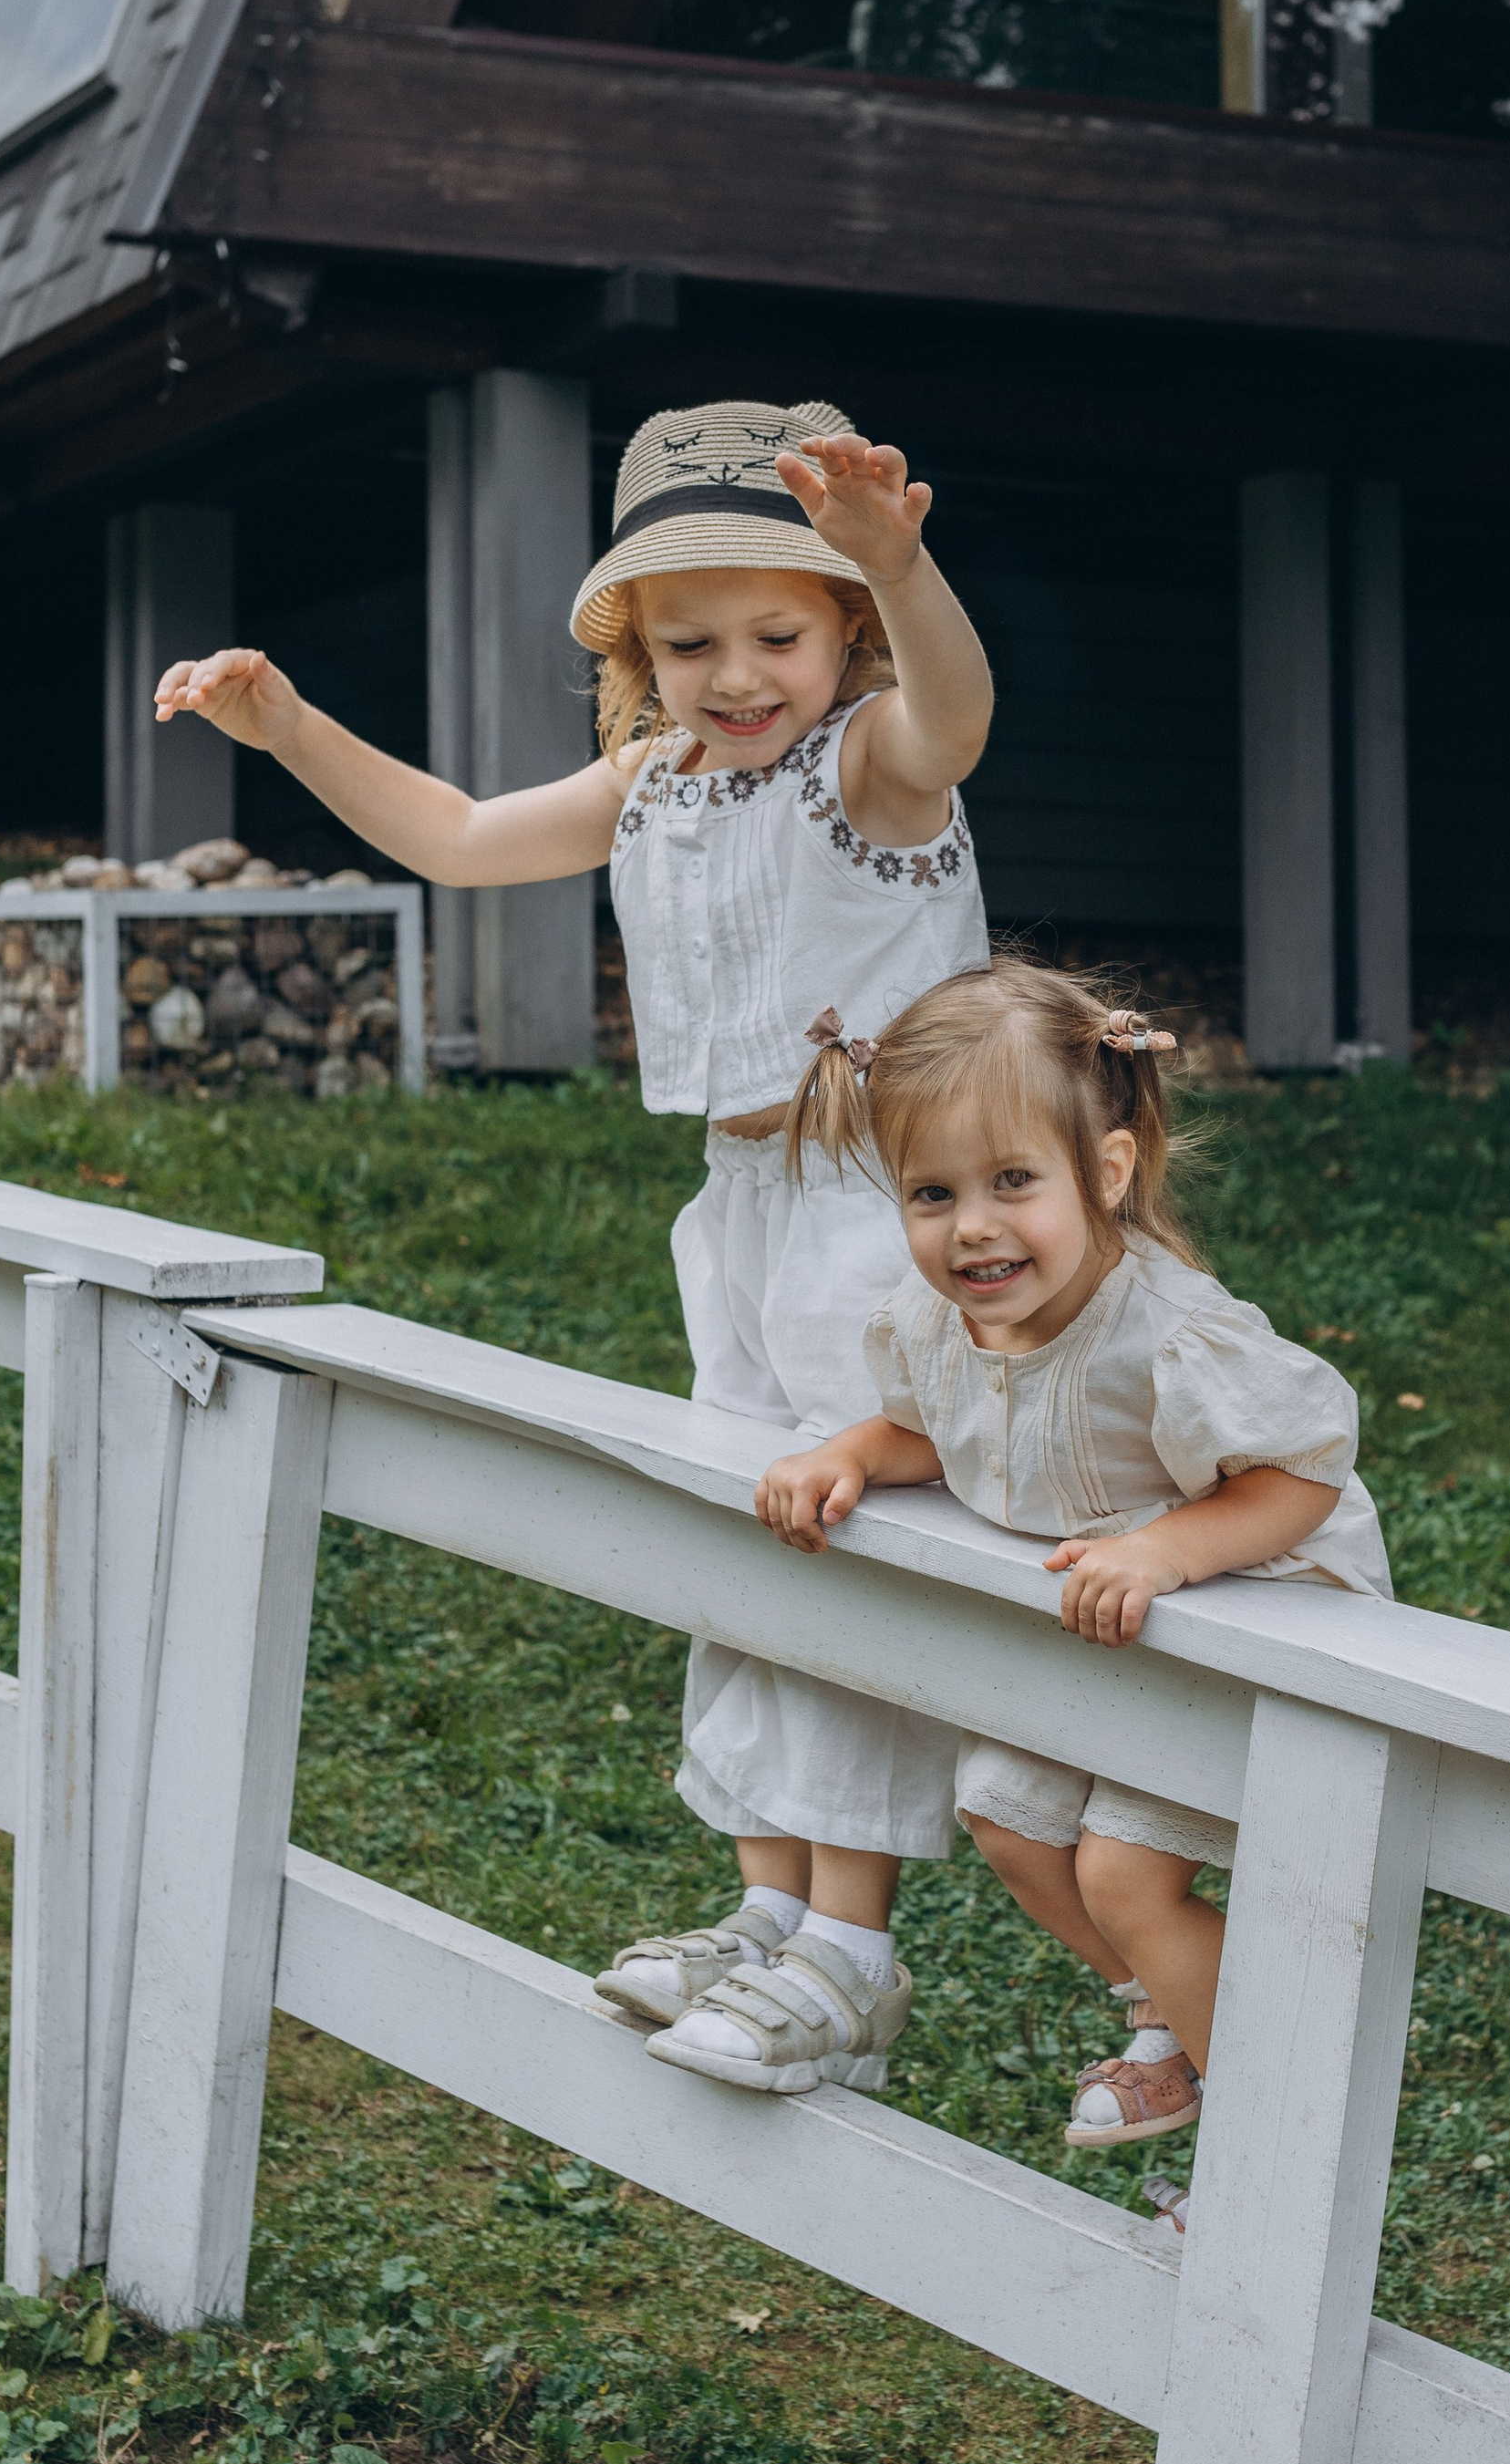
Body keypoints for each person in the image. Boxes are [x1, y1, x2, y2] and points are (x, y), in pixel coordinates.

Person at [151, 399, 991, 2093]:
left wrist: (904, 568)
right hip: (742, 1207)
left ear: (845, 632)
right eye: (690, 642)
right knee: (747, 1540)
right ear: (637, 650)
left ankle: (855, 1946)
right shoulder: (657, 782)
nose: (736, 673)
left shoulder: (876, 770)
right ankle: (767, 1908)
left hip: (877, 1210)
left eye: (780, 631)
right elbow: (460, 838)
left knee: (845, 1541)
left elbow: (960, 715)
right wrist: (293, 727)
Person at [686, 959, 1390, 2185]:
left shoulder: (1170, 1332)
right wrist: (851, 1450)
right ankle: (1168, 2007)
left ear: (1107, 1173)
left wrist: (1166, 1546)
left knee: (1123, 1868)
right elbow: (944, 1430)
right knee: (1006, 1816)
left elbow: (1306, 1472)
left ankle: (1259, 2157)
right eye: (931, 1191)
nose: (972, 1226)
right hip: (1106, 1633)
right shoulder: (937, 1325)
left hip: (1248, 1612)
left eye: (1014, 1181)